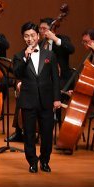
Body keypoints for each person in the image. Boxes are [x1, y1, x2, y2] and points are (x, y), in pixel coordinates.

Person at [12, 22, 61, 173]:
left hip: (46, 100)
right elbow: (17, 74)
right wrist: (25, 57)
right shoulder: (19, 56)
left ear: (38, 36)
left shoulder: (49, 55)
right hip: (28, 100)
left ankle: (45, 161)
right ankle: (32, 161)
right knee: (29, 134)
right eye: (26, 36)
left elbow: (55, 79)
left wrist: (57, 98)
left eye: (32, 35)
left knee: (47, 133)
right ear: (23, 38)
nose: (30, 38)